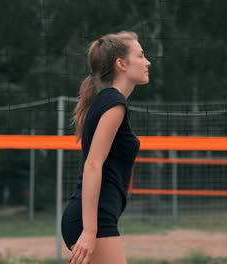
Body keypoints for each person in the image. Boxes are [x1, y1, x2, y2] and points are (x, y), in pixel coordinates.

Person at [61, 31, 151, 264]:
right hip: (92, 220)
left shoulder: (109, 100)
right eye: (141, 56)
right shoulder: (114, 103)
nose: (147, 62)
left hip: (92, 217)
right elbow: (93, 164)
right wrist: (90, 231)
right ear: (121, 64)